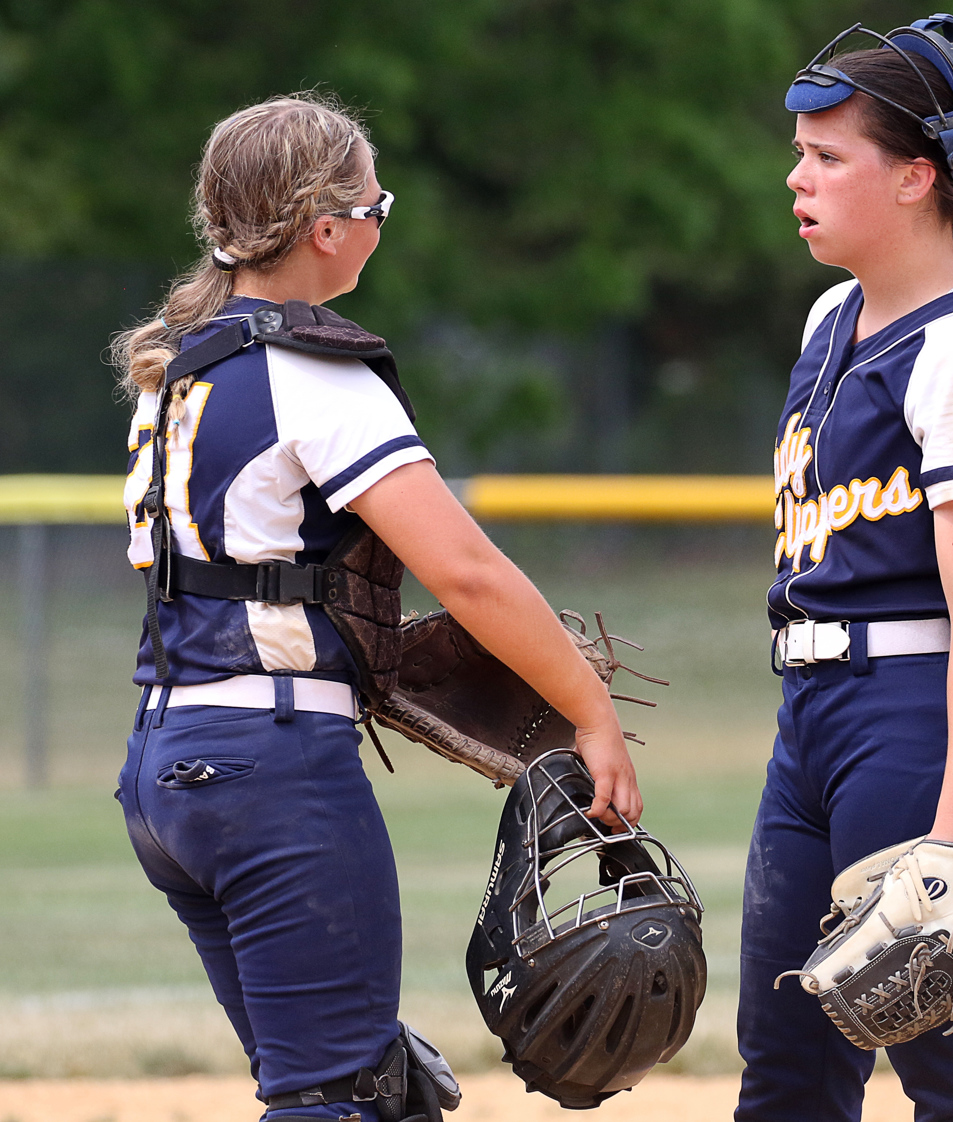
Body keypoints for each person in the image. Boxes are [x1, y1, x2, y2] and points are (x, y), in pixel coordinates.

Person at [112, 93, 639, 1122]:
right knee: (338, 1096)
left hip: (165, 771)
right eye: (375, 204)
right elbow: (468, 572)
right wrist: (591, 712)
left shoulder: (176, 371)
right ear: (326, 229)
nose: (381, 219)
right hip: (272, 771)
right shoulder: (312, 373)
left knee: (366, 1090)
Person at [738, 16, 953, 1122]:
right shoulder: (831, 318)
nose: (798, 178)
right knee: (786, 1074)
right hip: (811, 720)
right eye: (801, 153)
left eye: (829, 157)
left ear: (917, 177)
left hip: (916, 721)